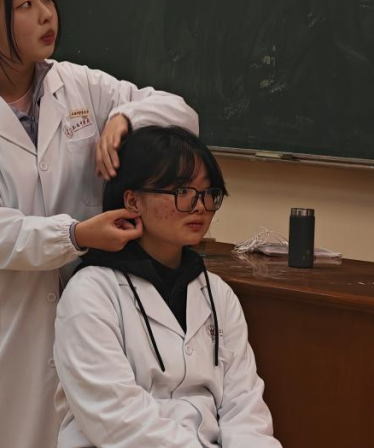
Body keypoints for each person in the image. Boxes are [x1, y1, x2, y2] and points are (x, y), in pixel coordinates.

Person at [0, 0, 199, 448]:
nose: (47, 15)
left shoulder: (77, 84)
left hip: (85, 316)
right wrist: (75, 235)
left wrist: (127, 119)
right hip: (1, 329)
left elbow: (181, 114)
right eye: (24, 5)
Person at [53, 126, 281, 448]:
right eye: (182, 191)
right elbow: (118, 419)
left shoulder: (217, 293)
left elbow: (244, 407)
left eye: (208, 192)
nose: (199, 206)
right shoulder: (91, 292)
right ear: (133, 201)